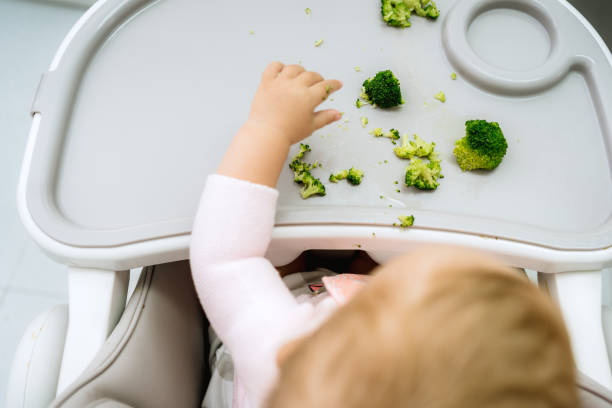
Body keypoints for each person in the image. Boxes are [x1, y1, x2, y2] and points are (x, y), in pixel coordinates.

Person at [189, 62, 577, 408]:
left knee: (279, 257)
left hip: (256, 355)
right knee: (375, 262)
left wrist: (267, 129)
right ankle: (363, 268)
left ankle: (328, 271)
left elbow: (227, 258)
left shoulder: (284, 363)